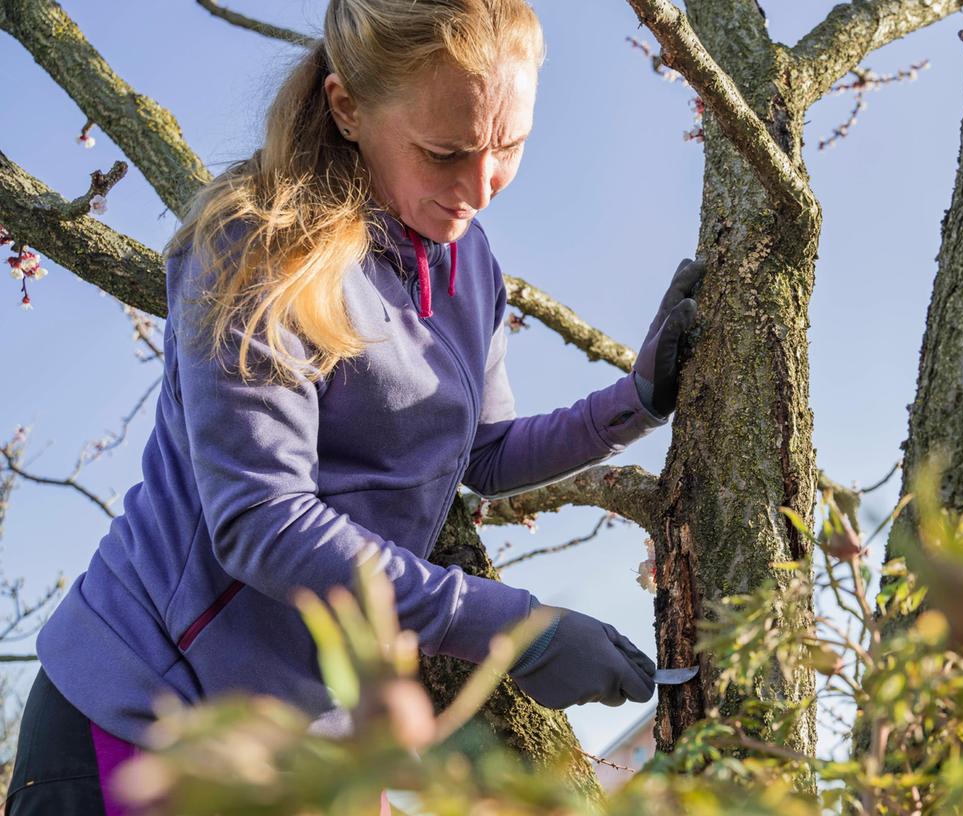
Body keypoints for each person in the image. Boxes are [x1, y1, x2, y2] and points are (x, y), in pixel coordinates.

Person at [4, 1, 701, 813]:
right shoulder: (254, 244)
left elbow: (481, 453)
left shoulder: (467, 261)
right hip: (140, 717)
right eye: (445, 152)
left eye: (509, 147)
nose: (480, 187)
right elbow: (262, 522)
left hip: (297, 745)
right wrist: (515, 629)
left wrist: (637, 402)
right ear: (349, 109)